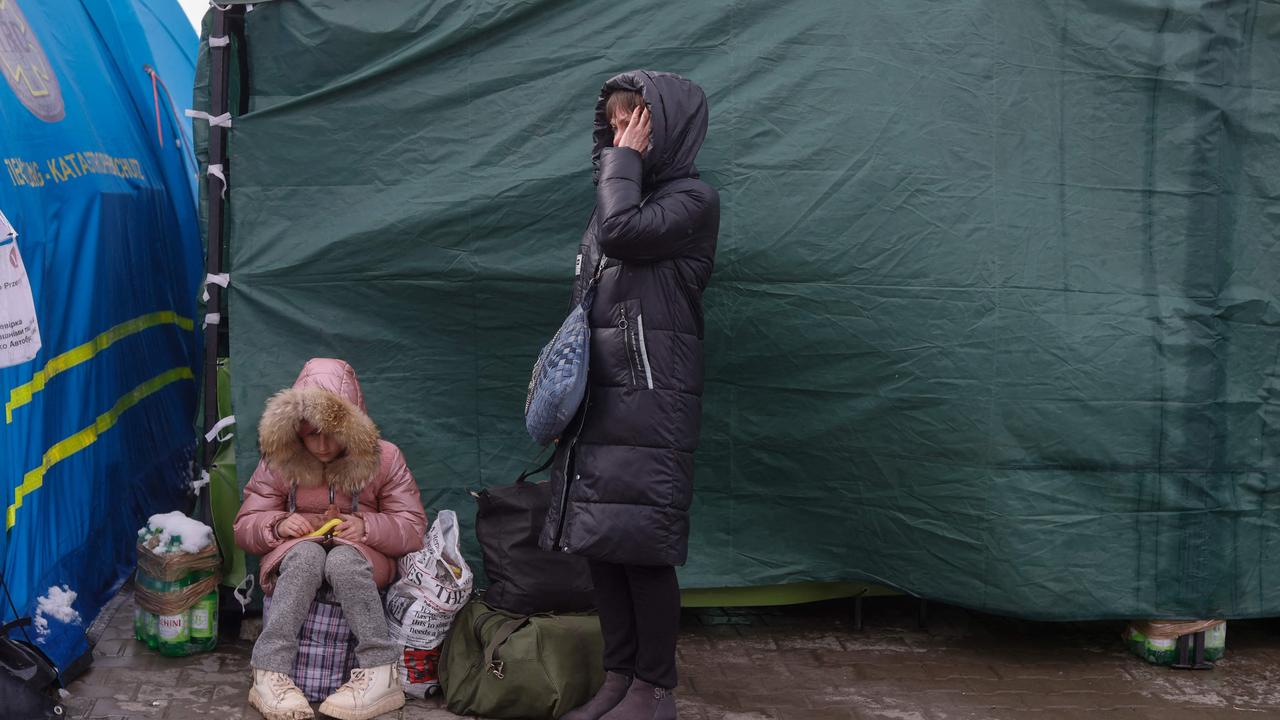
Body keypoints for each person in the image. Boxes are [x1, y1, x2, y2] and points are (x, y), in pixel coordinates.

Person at [541, 71, 719, 720]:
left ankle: (654, 690)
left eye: (635, 121)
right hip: (604, 398)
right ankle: (618, 681)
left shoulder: (692, 202)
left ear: (663, 129)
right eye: (615, 124)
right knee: (602, 541)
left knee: (642, 547)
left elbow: (622, 233)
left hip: (652, 397)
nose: (622, 136)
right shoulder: (616, 200)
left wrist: (623, 164)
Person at [234, 358, 426, 720]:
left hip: (362, 556)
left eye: (332, 433)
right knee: (307, 555)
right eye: (311, 434)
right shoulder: (280, 460)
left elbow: (412, 527)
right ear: (295, 430)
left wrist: (366, 527)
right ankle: (269, 672)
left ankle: (379, 673)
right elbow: (246, 524)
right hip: (296, 557)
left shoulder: (385, 458)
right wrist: (277, 525)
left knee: (342, 560)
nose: (321, 445)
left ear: (350, 426)